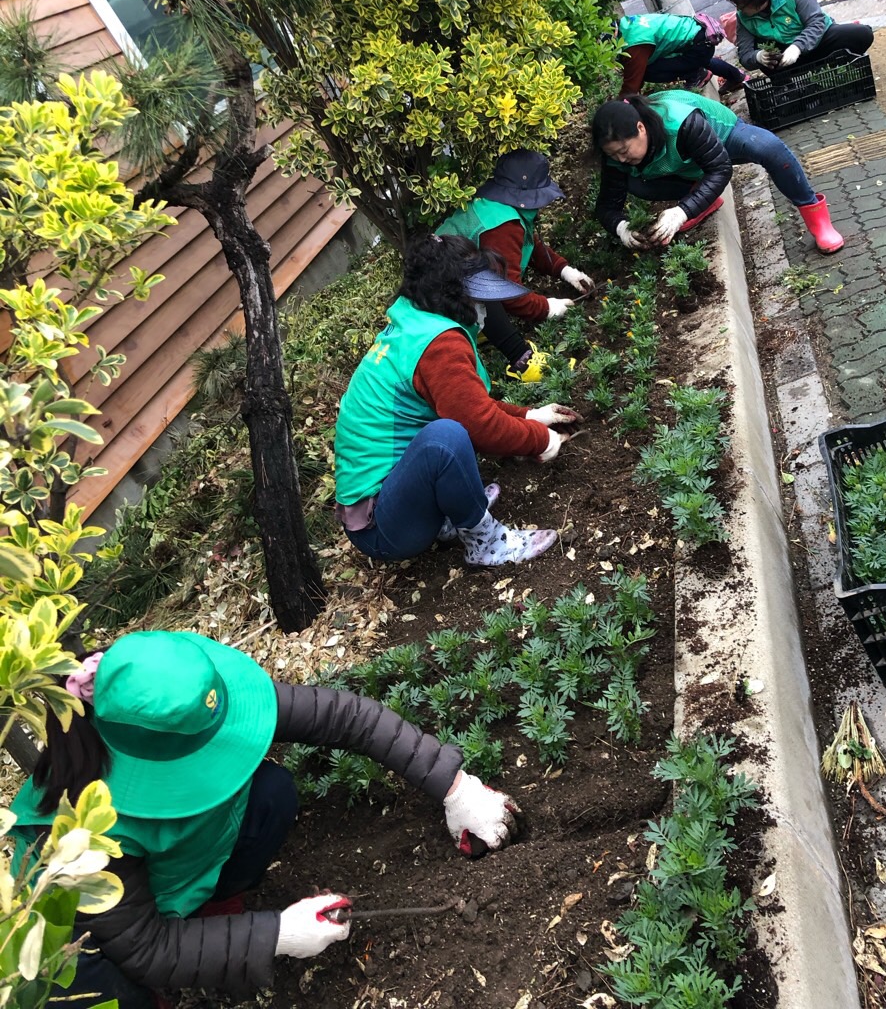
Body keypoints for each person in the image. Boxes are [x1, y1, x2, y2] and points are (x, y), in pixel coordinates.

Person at [10, 630, 523, 1009]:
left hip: (172, 875)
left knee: (270, 792)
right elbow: (146, 947)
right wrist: (274, 934)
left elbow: (346, 717)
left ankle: (212, 917)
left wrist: (457, 789)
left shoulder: (189, 701)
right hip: (95, 944)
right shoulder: (80, 829)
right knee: (114, 990)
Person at [334, 234, 578, 567]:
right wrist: (541, 440)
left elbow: (470, 405)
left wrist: (531, 415)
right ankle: (488, 543)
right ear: (453, 295)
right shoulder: (439, 345)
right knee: (446, 437)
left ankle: (452, 513)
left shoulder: (414, 323)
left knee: (446, 430)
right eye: (478, 298)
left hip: (392, 501)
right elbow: (478, 424)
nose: (484, 309)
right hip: (385, 530)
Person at [591, 91, 844, 253]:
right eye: (613, 155)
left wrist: (682, 211)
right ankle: (702, 200)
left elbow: (720, 168)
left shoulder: (680, 121)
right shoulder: (616, 155)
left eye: (624, 150)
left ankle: (818, 221)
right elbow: (606, 206)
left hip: (723, 139)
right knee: (636, 184)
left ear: (641, 128)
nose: (621, 158)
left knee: (770, 148)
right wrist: (622, 228)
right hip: (686, 165)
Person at [437, 149, 595, 381]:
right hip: (443, 297)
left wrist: (565, 270)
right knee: (482, 286)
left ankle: (478, 328)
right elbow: (507, 291)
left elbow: (530, 245)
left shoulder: (499, 207)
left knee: (480, 282)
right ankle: (522, 360)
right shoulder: (502, 225)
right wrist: (545, 308)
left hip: (441, 289)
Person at [723, 0, 874, 75]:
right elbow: (745, 54)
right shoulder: (743, 17)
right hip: (786, 57)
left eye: (741, 5)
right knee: (767, 61)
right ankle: (813, 70)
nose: (738, 9)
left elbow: (817, 22)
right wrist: (758, 57)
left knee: (862, 34)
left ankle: (830, 62)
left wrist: (797, 47)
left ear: (758, 2)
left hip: (819, 41)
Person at [618, 10, 749, 98]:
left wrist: (618, 107)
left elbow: (632, 83)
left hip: (698, 45)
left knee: (648, 71)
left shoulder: (634, 44)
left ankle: (696, 76)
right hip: (700, 37)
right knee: (701, 61)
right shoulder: (627, 24)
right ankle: (738, 77)